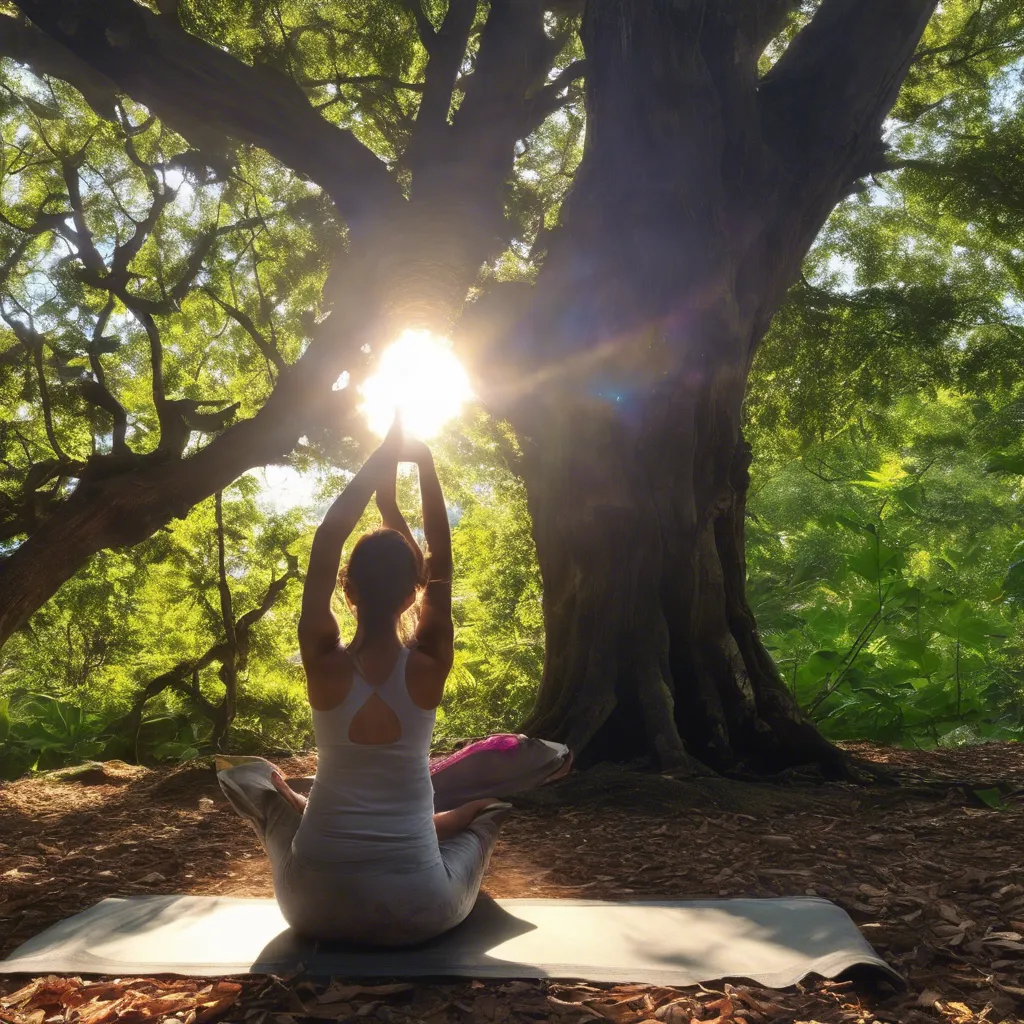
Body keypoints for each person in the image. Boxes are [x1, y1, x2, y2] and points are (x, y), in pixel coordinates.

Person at [217, 419, 571, 946]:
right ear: (414, 595)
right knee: (482, 825)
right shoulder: (429, 663)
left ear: (348, 589)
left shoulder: (321, 658)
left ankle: (311, 808)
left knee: (261, 788)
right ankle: (469, 815)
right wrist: (422, 463)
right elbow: (442, 563)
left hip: (311, 906)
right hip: (419, 910)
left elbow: (326, 541)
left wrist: (380, 460)